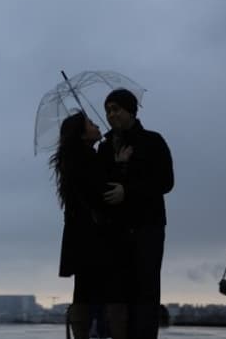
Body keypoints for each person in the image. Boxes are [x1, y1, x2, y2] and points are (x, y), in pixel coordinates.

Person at [97, 88, 174, 339]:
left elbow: (165, 181)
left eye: (116, 108)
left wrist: (127, 191)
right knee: (120, 291)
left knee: (146, 290)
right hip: (116, 229)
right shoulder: (105, 147)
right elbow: (102, 186)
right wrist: (118, 167)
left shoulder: (153, 141)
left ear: (131, 110)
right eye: (108, 110)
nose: (111, 115)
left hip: (147, 227)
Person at [52, 111, 131, 339]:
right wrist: (121, 166)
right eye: (90, 123)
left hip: (82, 238)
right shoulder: (86, 160)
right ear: (81, 135)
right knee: (113, 291)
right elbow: (103, 193)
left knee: (84, 292)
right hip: (96, 237)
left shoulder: (76, 159)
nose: (97, 124)